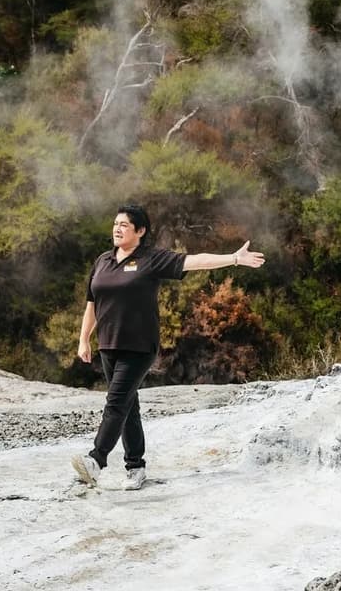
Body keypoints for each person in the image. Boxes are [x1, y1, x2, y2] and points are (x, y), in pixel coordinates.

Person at [72, 204, 265, 491]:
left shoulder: (151, 259)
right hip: (108, 345)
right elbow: (92, 303)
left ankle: (96, 460)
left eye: (124, 225)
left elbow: (195, 261)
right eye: (115, 223)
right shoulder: (102, 261)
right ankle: (135, 467)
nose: (117, 228)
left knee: (115, 403)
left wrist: (234, 258)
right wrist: (84, 338)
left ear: (140, 231)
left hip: (139, 346)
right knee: (127, 406)